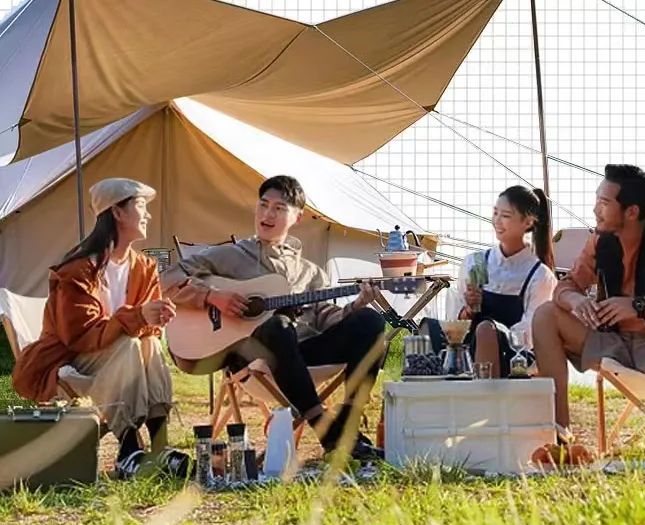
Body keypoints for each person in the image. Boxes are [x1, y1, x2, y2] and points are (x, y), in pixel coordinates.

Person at [161, 175, 386, 460]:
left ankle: (348, 423)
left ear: (297, 217)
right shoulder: (229, 256)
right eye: (263, 205)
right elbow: (166, 278)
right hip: (253, 360)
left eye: (279, 208)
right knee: (276, 325)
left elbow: (325, 318)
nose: (267, 214)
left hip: (301, 356)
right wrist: (211, 296)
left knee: (370, 321)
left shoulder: (311, 272)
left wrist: (356, 306)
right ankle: (325, 429)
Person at [532, 164, 645, 454]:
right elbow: (565, 288)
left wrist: (639, 306)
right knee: (546, 314)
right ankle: (560, 433)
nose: (595, 209)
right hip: (614, 343)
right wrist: (577, 301)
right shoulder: (599, 240)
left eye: (604, 203)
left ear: (631, 212)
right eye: (597, 200)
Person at [12, 178, 189, 479]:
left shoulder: (144, 267)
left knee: (148, 343)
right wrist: (138, 317)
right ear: (117, 213)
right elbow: (80, 337)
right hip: (70, 363)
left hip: (118, 367)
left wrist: (155, 318)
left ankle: (159, 446)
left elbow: (145, 330)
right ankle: (128, 449)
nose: (148, 214)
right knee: (130, 344)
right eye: (141, 206)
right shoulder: (77, 271)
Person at [426, 185, 557, 377]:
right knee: (427, 328)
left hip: (512, 357)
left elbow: (531, 335)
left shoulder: (538, 275)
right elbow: (456, 321)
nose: (497, 221)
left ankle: (484, 391)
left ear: (528, 222)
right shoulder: (478, 262)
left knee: (486, 330)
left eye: (506, 215)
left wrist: (493, 333)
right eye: (496, 213)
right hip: (468, 349)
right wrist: (469, 309)